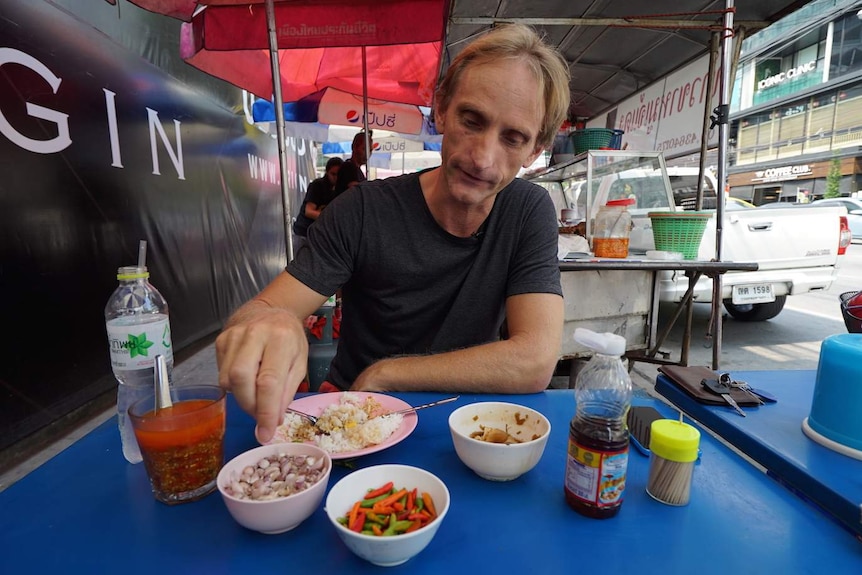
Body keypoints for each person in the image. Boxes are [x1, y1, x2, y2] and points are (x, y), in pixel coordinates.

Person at [216, 23, 572, 443]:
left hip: (467, 424)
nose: (483, 158)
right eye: (471, 121)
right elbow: (256, 313)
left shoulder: (527, 210)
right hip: (357, 422)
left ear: (534, 151)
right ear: (440, 109)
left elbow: (535, 360)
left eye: (513, 138)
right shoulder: (362, 210)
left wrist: (388, 372)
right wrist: (273, 321)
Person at [293, 156, 343, 255]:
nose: (336, 178)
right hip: (304, 233)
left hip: (318, 235)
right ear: (327, 172)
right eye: (333, 174)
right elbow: (309, 211)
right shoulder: (318, 185)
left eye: (339, 175)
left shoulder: (339, 189)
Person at [333, 130, 372, 196]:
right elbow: (357, 192)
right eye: (364, 149)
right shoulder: (348, 167)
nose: (368, 154)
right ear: (354, 147)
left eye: (370, 150)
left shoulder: (357, 169)